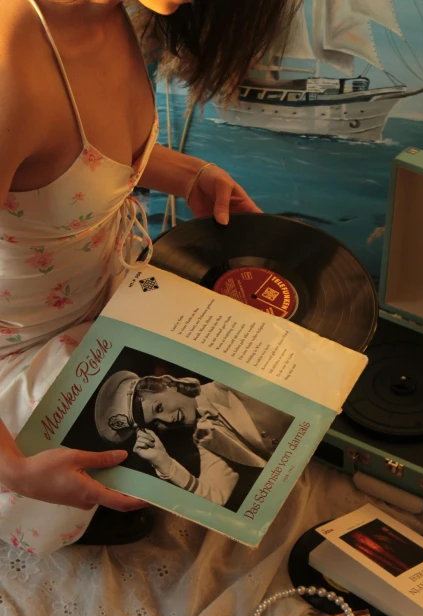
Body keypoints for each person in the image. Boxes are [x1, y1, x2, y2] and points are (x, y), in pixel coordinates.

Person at [0, 0, 297, 556]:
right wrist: (15, 472)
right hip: (18, 352)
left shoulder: (110, 10)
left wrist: (188, 173)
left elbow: (66, 155)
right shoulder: (7, 57)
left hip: (106, 290)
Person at [94, 371, 294, 507]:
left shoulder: (228, 380)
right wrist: (164, 462)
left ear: (167, 384)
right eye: (155, 424)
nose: (167, 420)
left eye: (159, 408)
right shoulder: (206, 440)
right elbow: (215, 497)